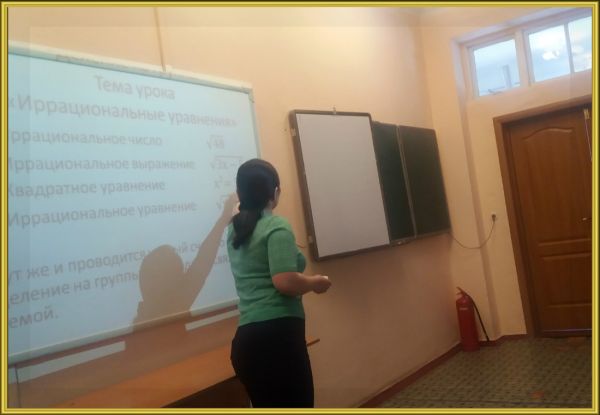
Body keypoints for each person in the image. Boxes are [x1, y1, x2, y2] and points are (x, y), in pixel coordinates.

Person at [227, 158, 331, 408]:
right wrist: (315, 282)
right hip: (278, 340)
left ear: (240, 193)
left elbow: (240, 213)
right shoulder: (276, 226)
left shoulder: (235, 230)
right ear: (275, 192)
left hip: (247, 344)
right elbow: (284, 282)